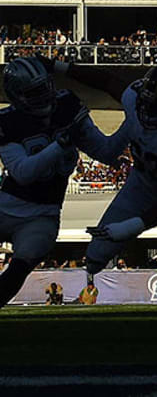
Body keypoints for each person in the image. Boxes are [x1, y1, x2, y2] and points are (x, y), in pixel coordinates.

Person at [63, 62, 157, 324]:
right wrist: (61, 67)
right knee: (97, 253)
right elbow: (107, 80)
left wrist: (130, 227)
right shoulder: (138, 97)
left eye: (153, 103)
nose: (145, 106)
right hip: (141, 185)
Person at [0, 57, 118, 309]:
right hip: (6, 205)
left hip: (43, 213)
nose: (45, 96)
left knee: (24, 261)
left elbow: (106, 152)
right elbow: (23, 172)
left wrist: (133, 129)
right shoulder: (8, 121)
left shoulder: (67, 104)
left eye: (46, 87)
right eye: (35, 92)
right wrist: (61, 144)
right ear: (17, 96)